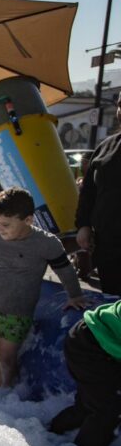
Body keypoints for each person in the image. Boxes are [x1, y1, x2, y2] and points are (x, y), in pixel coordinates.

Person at [0, 188, 90, 388]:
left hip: (16, 314)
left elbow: (65, 270)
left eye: (5, 225)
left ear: (28, 220)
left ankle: (0, 399)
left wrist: (75, 295)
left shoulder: (46, 243)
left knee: (5, 359)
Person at [49, 299, 121, 446]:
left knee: (91, 404)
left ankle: (52, 433)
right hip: (89, 346)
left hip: (90, 337)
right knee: (109, 410)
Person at [76, 93, 121, 295]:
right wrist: (83, 225)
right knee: (112, 302)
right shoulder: (106, 147)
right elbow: (89, 192)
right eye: (120, 104)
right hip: (108, 247)